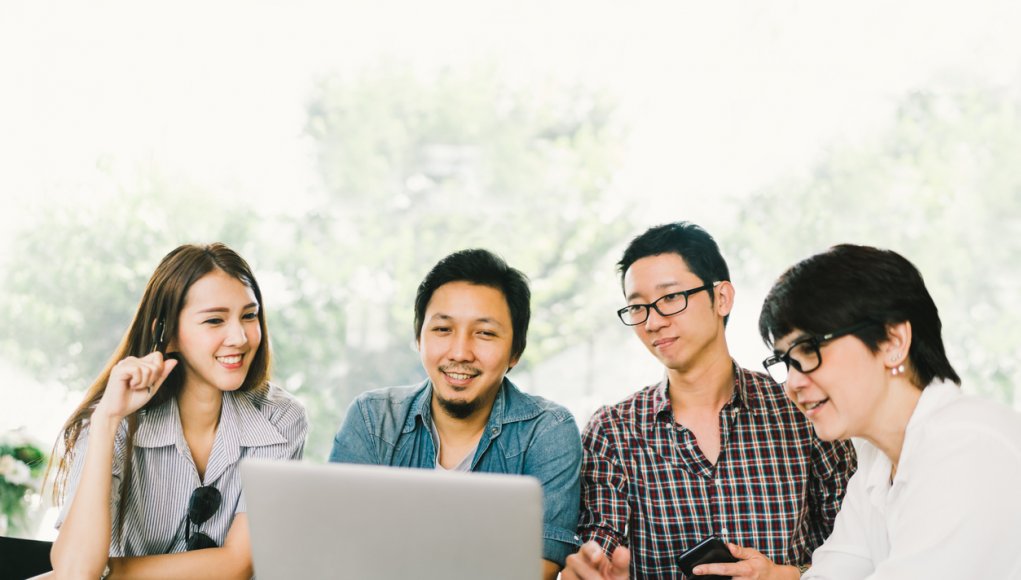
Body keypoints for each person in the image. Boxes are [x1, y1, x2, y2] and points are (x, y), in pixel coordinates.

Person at [563, 222, 857, 580]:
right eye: (637, 307)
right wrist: (593, 569)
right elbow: (600, 543)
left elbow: (857, 552)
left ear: (722, 298)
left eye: (670, 297)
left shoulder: (802, 409)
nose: (653, 322)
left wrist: (787, 575)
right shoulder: (613, 431)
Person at [748, 244, 1021, 579]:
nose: (792, 383)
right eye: (786, 362)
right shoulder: (875, 462)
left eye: (810, 349)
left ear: (893, 342)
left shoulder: (968, 447)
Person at [45, 243, 308, 580]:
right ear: (165, 333)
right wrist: (107, 421)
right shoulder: (113, 420)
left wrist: (107, 572)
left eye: (249, 315)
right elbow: (76, 572)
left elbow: (238, 564)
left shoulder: (282, 419)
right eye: (214, 320)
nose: (240, 337)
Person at [329, 248, 582, 579]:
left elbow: (536, 570)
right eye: (443, 329)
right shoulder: (373, 418)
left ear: (515, 352)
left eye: (485, 333)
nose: (460, 352)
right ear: (419, 338)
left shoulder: (548, 431)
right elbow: (335, 550)